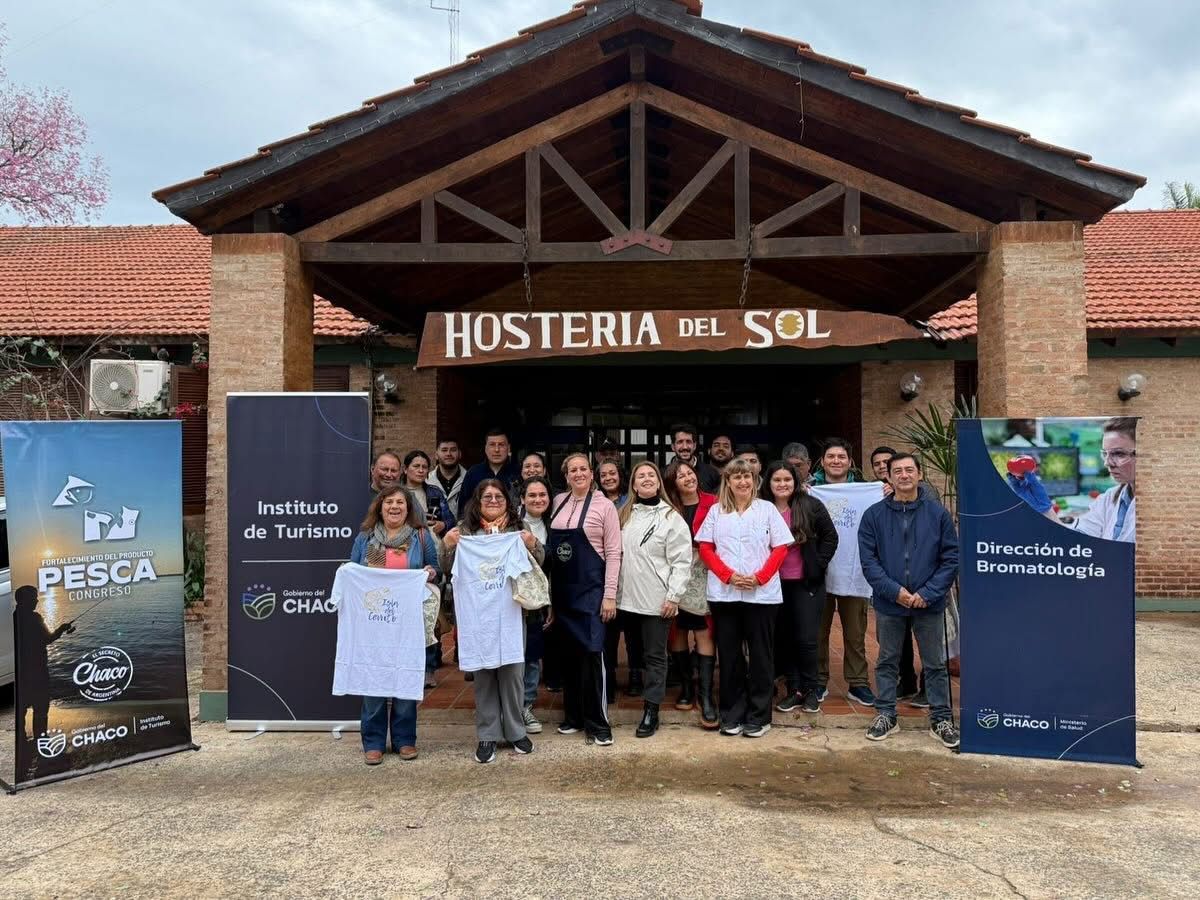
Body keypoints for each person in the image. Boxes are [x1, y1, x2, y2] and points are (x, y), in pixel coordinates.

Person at [858, 453, 960, 749]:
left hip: (929, 603)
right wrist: (895, 592)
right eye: (897, 471)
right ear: (888, 477)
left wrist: (928, 593)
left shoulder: (937, 514)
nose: (904, 475)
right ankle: (886, 714)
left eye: (909, 470)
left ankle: (941, 719)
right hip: (890, 603)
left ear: (919, 475)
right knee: (887, 660)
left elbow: (950, 558)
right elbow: (869, 561)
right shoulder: (873, 516)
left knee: (935, 664)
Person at [443, 480, 544, 763]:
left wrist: (533, 544)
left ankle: (515, 732)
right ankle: (487, 734)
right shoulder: (464, 531)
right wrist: (447, 546)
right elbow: (447, 568)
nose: (493, 500)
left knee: (513, 673)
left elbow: (539, 561)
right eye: (487, 496)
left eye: (498, 496)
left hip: (511, 612)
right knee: (484, 673)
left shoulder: (518, 528)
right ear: (477, 501)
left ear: (507, 501)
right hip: (477, 615)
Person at [696, 458, 794, 737]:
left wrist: (760, 577)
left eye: (747, 476)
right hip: (725, 594)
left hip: (761, 595)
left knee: (761, 655)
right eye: (736, 477)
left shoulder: (767, 510)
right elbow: (705, 549)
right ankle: (732, 714)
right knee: (730, 656)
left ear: (755, 480)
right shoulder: (716, 511)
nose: (742, 481)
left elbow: (780, 548)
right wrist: (727, 575)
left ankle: (759, 716)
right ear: (727, 482)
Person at [349, 485, 440, 765]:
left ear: (408, 508)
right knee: (374, 681)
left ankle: (404, 740)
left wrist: (430, 572)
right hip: (374, 624)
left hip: (407, 624)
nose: (394, 507)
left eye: (400, 502)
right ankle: (373, 742)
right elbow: (355, 574)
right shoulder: (366, 538)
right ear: (380, 506)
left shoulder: (420, 537)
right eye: (389, 502)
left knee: (405, 679)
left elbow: (436, 569)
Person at [614, 461, 693, 738]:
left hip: (657, 600)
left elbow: (682, 561)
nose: (646, 479)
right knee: (634, 653)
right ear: (634, 485)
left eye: (651, 475)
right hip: (625, 599)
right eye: (640, 476)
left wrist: (674, 596)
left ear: (659, 482)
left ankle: (651, 710)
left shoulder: (672, 517)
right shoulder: (623, 515)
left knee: (655, 656)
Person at [550, 452, 622, 746]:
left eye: (583, 469)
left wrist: (609, 596)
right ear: (566, 476)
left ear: (592, 474)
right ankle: (574, 717)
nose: (578, 473)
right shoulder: (557, 502)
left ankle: (598, 724)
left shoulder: (605, 506)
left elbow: (614, 553)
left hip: (592, 593)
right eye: (572, 470)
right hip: (563, 594)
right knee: (568, 657)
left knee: (593, 655)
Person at [762, 462, 839, 715]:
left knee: (806, 639)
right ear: (768, 483)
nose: (782, 484)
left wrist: (818, 564)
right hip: (773, 583)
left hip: (806, 583)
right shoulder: (762, 507)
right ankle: (794, 689)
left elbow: (831, 537)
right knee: (784, 639)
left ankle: (811, 690)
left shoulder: (810, 505)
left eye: (787, 479)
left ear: (795, 482)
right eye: (777, 480)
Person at [809, 438, 876, 707]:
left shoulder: (866, 490)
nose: (836, 461)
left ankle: (858, 683)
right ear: (822, 461)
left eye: (841, 457)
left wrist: (884, 489)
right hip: (818, 570)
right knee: (817, 631)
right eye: (831, 456)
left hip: (853, 569)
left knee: (855, 632)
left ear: (850, 462)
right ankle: (817, 680)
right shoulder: (809, 490)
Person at [663, 459, 719, 727]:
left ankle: (706, 696)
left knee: (703, 631)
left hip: (705, 574)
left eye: (689, 472)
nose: (688, 477)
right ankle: (686, 688)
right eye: (680, 475)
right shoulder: (667, 507)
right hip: (673, 575)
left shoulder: (714, 502)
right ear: (673, 483)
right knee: (677, 631)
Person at [597, 458, 640, 697]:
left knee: (633, 629)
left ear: (620, 475)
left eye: (612, 473)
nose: (608, 478)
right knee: (609, 628)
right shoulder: (595, 501)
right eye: (603, 475)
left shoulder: (632, 500)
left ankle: (635, 675)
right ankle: (610, 677)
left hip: (632, 570)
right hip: (605, 571)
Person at [14, 585, 75, 746]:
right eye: (33, 598)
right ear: (25, 600)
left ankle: (21, 739)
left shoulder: (14, 616)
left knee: (22, 708)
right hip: (37, 670)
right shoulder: (34, 618)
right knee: (41, 707)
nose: (36, 601)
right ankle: (41, 739)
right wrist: (61, 628)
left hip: (21, 672)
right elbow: (47, 639)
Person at [519, 475, 555, 734]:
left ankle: (526, 705)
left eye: (542, 495)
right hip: (515, 600)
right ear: (522, 499)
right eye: (532, 495)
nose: (537, 499)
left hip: (541, 601)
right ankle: (509, 706)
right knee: (514, 656)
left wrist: (552, 602)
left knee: (532, 655)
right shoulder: (511, 525)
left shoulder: (555, 524)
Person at [1069, 417, 1137, 543]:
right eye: (1105, 453)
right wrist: (1046, 511)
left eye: (1119, 454)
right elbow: (1077, 539)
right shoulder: (1109, 498)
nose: (1107, 463)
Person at [461, 428, 523, 505]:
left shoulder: (518, 472)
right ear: (485, 448)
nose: (496, 450)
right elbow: (463, 506)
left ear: (509, 448)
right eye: (492, 445)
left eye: (501, 444)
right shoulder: (473, 473)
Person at [402, 450, 454, 536]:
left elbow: (451, 519)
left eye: (424, 467)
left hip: (434, 540)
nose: (421, 470)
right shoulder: (396, 493)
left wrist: (444, 525)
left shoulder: (435, 492)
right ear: (405, 469)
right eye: (416, 466)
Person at [670, 423, 721, 494]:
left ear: (694, 446)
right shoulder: (663, 474)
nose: (685, 447)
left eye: (688, 442)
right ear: (673, 446)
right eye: (680, 442)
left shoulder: (711, 473)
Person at [430, 438, 466, 519]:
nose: (448, 453)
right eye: (444, 450)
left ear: (460, 454)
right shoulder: (427, 480)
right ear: (436, 455)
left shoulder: (469, 479)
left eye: (453, 450)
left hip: (463, 527)